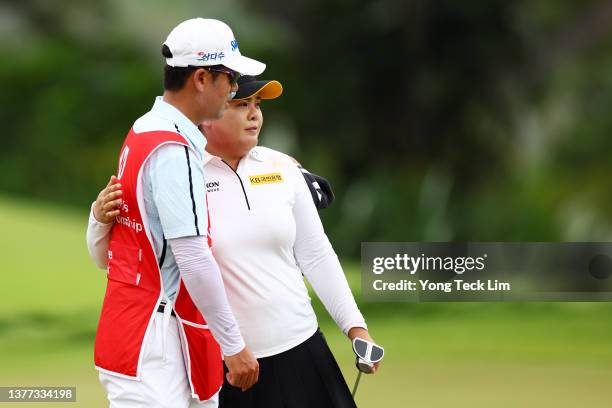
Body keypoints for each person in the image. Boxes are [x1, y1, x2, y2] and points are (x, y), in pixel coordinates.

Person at [88, 75, 380, 407]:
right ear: (208, 114)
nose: (254, 114)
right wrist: (98, 218)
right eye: (241, 105)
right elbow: (122, 255)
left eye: (257, 106)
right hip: (227, 365)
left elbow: (315, 254)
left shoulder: (282, 168)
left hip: (302, 349)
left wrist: (356, 329)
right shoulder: (179, 169)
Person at [91, 18, 265, 408]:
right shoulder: (174, 150)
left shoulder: (143, 130)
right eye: (231, 77)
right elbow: (192, 256)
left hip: (141, 332)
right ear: (202, 78)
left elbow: (104, 249)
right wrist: (233, 344)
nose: (235, 89)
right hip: (154, 343)